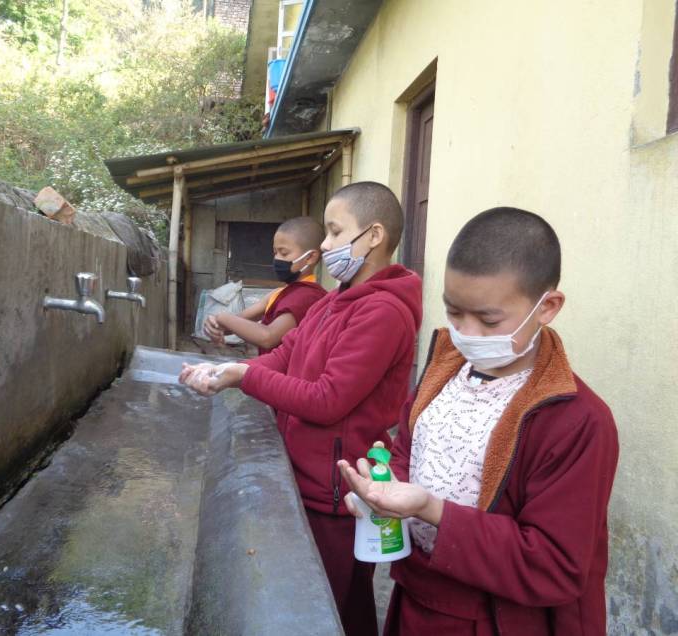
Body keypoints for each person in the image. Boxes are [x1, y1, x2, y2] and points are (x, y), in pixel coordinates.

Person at [339, 207, 619, 636]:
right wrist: (383, 491)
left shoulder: (577, 420)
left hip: (493, 620)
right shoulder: (443, 372)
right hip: (415, 597)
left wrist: (431, 510)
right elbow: (408, 452)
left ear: (547, 306)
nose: (467, 334)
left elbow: (555, 565)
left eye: (488, 320)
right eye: (454, 313)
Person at [181, 182, 423, 635]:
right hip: (310, 478)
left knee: (331, 609)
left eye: (335, 232)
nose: (326, 245)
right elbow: (285, 354)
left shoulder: (383, 313)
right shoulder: (334, 301)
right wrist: (226, 370)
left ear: (374, 235)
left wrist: (244, 377)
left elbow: (327, 400)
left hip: (337, 493)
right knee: (342, 606)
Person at [203, 216, 326, 354]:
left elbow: (268, 337)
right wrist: (215, 324)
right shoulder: (278, 293)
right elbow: (238, 321)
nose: (277, 259)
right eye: (275, 252)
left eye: (284, 253)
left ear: (310, 257)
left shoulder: (308, 296)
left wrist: (224, 318)